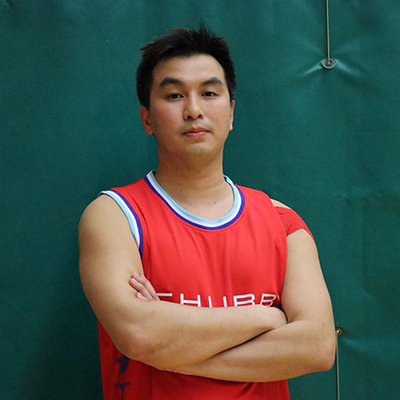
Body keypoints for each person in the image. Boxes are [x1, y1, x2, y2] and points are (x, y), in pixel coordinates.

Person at [79, 27, 336, 400]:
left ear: (231, 113)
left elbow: (317, 347)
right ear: (147, 118)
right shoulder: (115, 216)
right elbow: (138, 334)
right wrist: (264, 317)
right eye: (174, 95)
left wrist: (169, 348)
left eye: (210, 93)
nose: (194, 110)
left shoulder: (282, 223)